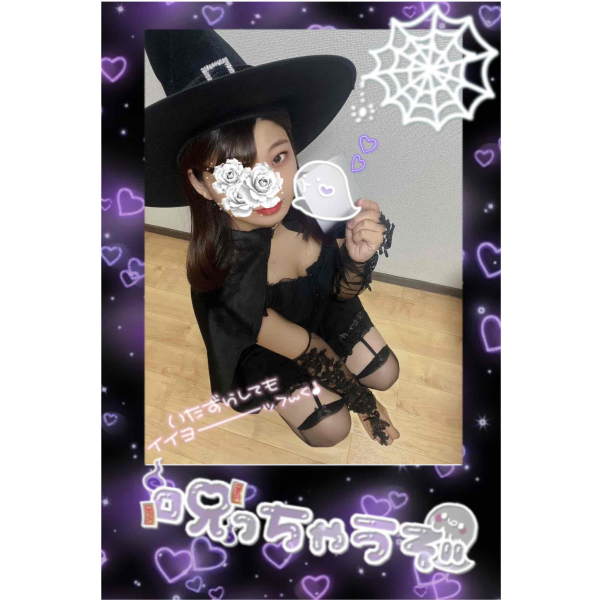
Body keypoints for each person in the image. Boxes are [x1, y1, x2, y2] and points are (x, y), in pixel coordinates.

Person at [145, 30, 400, 448]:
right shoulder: (229, 282)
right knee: (332, 427)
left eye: (278, 157)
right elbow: (307, 347)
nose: (265, 188)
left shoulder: (309, 204)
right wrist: (366, 404)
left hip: (320, 312)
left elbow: (339, 293)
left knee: (387, 371)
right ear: (202, 183)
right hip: (280, 347)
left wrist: (356, 257)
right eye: (232, 172)